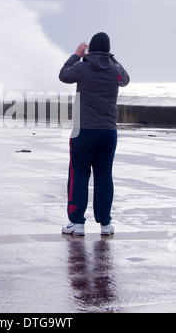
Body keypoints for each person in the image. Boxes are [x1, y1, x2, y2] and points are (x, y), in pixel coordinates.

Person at [59, 33, 130, 236]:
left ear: (90, 50)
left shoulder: (82, 66)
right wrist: (110, 57)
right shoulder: (115, 69)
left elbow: (63, 75)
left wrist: (76, 55)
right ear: (108, 50)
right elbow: (126, 79)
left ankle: (77, 223)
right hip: (108, 132)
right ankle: (105, 224)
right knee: (104, 176)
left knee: (78, 175)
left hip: (84, 131)